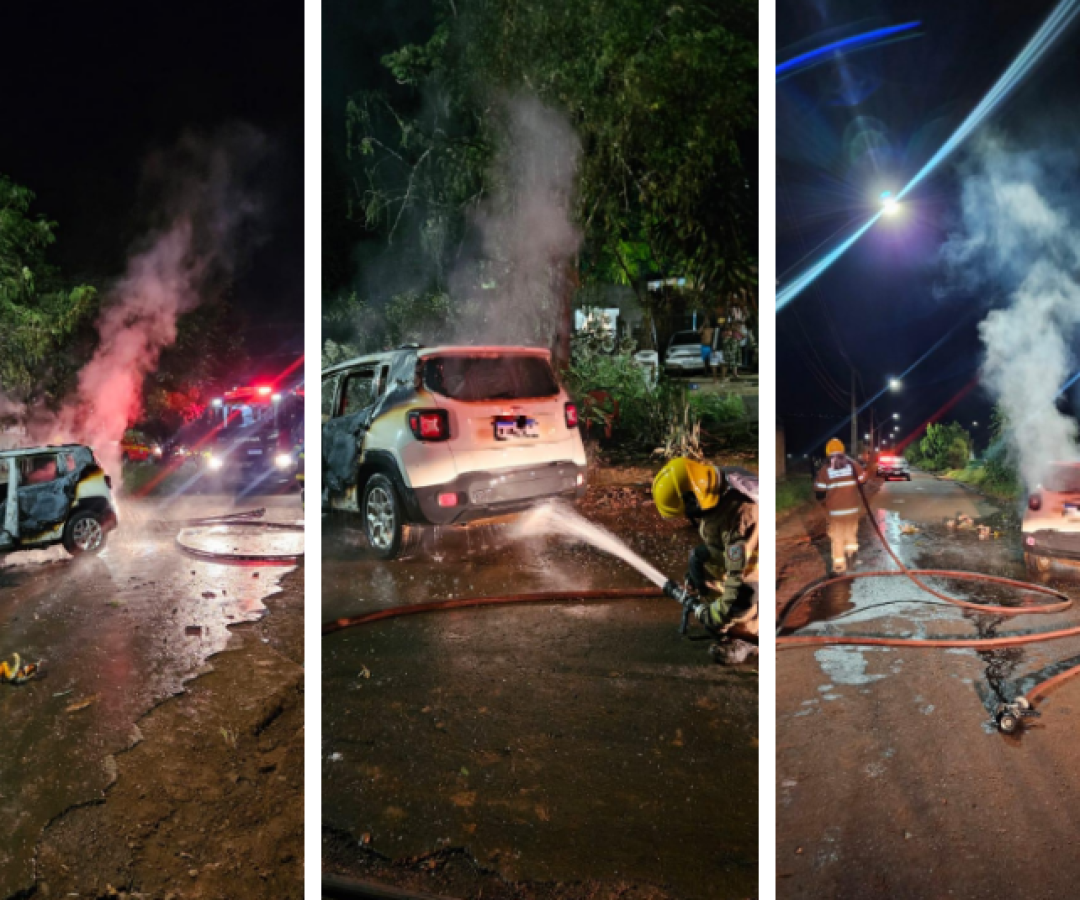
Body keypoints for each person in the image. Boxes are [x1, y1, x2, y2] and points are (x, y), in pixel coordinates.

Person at [652, 457, 759, 665]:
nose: (686, 517)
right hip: (732, 560)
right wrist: (696, 567)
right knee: (702, 563)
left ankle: (746, 637)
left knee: (741, 603)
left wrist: (717, 615)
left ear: (695, 500)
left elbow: (740, 582)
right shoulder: (717, 484)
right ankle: (727, 620)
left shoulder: (739, 518)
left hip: (748, 573)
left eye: (687, 512)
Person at [814, 438, 867, 574]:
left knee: (837, 537)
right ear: (843, 451)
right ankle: (851, 560)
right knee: (851, 534)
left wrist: (823, 499)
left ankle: (839, 565)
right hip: (852, 510)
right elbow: (863, 480)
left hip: (835, 512)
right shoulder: (853, 465)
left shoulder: (825, 469)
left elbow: (819, 490)